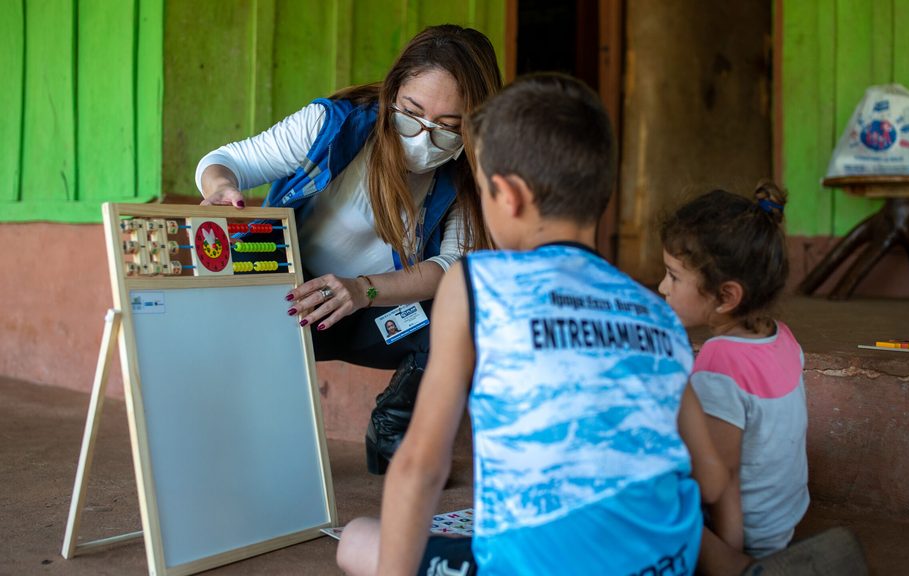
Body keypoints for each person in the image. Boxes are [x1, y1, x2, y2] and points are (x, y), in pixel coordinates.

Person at [336, 73, 728, 576]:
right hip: (661, 564)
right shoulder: (655, 310)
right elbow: (711, 483)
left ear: (509, 195)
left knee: (357, 540)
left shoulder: (477, 283)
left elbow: (421, 465)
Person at [195, 25, 502, 474]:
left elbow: (449, 267)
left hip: (373, 315)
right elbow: (227, 162)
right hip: (288, 309)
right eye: (411, 114)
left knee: (464, 311)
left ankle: (392, 428)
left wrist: (363, 291)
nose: (421, 138)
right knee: (264, 460)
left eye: (447, 129)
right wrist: (222, 188)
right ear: (393, 91)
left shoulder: (463, 178)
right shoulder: (331, 127)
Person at [657, 183, 809, 575]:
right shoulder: (781, 336)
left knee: (642, 497)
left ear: (726, 296)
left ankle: (738, 568)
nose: (662, 288)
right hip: (785, 520)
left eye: (673, 276)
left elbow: (720, 482)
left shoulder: (720, 361)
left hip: (749, 533)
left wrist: (727, 551)